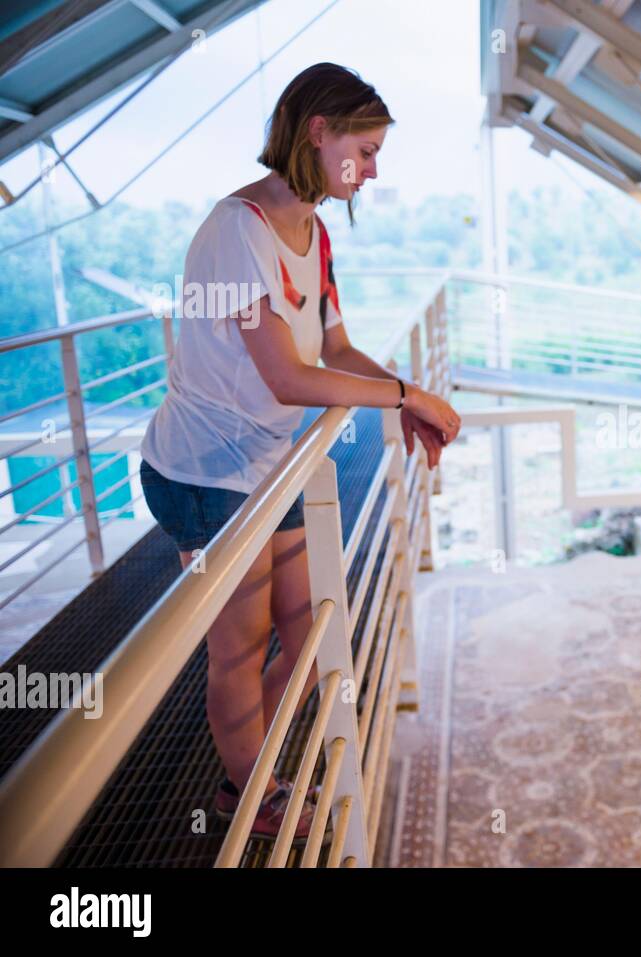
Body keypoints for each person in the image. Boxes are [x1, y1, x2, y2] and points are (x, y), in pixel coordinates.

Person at [138, 62, 460, 843]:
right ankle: (250, 796)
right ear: (319, 132)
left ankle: (249, 770)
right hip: (206, 474)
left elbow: (337, 347)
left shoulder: (311, 233)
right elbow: (285, 375)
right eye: (368, 149)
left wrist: (405, 391)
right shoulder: (237, 229)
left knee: (309, 628)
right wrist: (406, 400)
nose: (375, 169)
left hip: (269, 465)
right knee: (241, 649)